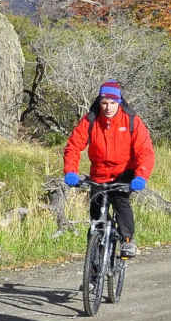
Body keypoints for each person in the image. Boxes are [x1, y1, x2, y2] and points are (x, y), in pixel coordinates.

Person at [63, 80, 156, 258]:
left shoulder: (131, 120)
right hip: (98, 175)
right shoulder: (90, 119)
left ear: (119, 102)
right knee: (96, 221)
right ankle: (93, 271)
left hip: (123, 174)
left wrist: (140, 176)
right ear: (99, 102)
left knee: (121, 203)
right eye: (104, 102)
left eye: (113, 103)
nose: (108, 107)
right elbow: (73, 146)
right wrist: (70, 171)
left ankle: (127, 241)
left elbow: (145, 151)